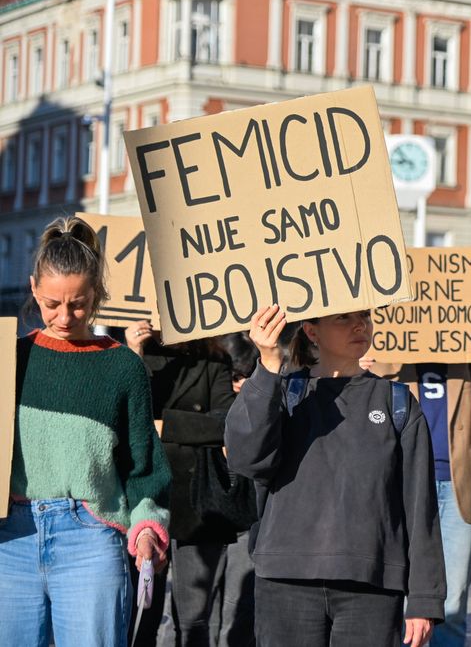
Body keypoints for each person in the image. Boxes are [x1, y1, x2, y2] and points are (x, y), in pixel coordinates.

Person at [225, 305, 446, 646]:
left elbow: (420, 507)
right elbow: (246, 458)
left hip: (371, 583)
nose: (360, 325)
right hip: (287, 579)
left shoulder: (397, 402)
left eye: (365, 317)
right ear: (312, 331)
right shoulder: (284, 392)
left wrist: (424, 598)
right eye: (344, 317)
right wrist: (268, 364)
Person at [0, 216, 172, 646]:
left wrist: (148, 527)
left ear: (97, 294)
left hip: (91, 539)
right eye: (52, 303)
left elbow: (142, 466)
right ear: (33, 287)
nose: (64, 315)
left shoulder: (123, 367)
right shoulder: (10, 360)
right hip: (11, 539)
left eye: (78, 303)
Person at [367, 355, 471, 646]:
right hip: (399, 485)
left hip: (456, 485)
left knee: (451, 597)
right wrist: (358, 373)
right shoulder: (382, 353)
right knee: (392, 590)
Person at [124, 321, 255, 647]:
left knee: (194, 618)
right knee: (141, 613)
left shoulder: (214, 358)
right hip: (146, 499)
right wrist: (134, 354)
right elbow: (125, 415)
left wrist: (164, 424)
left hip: (198, 501)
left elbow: (225, 422)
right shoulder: (138, 358)